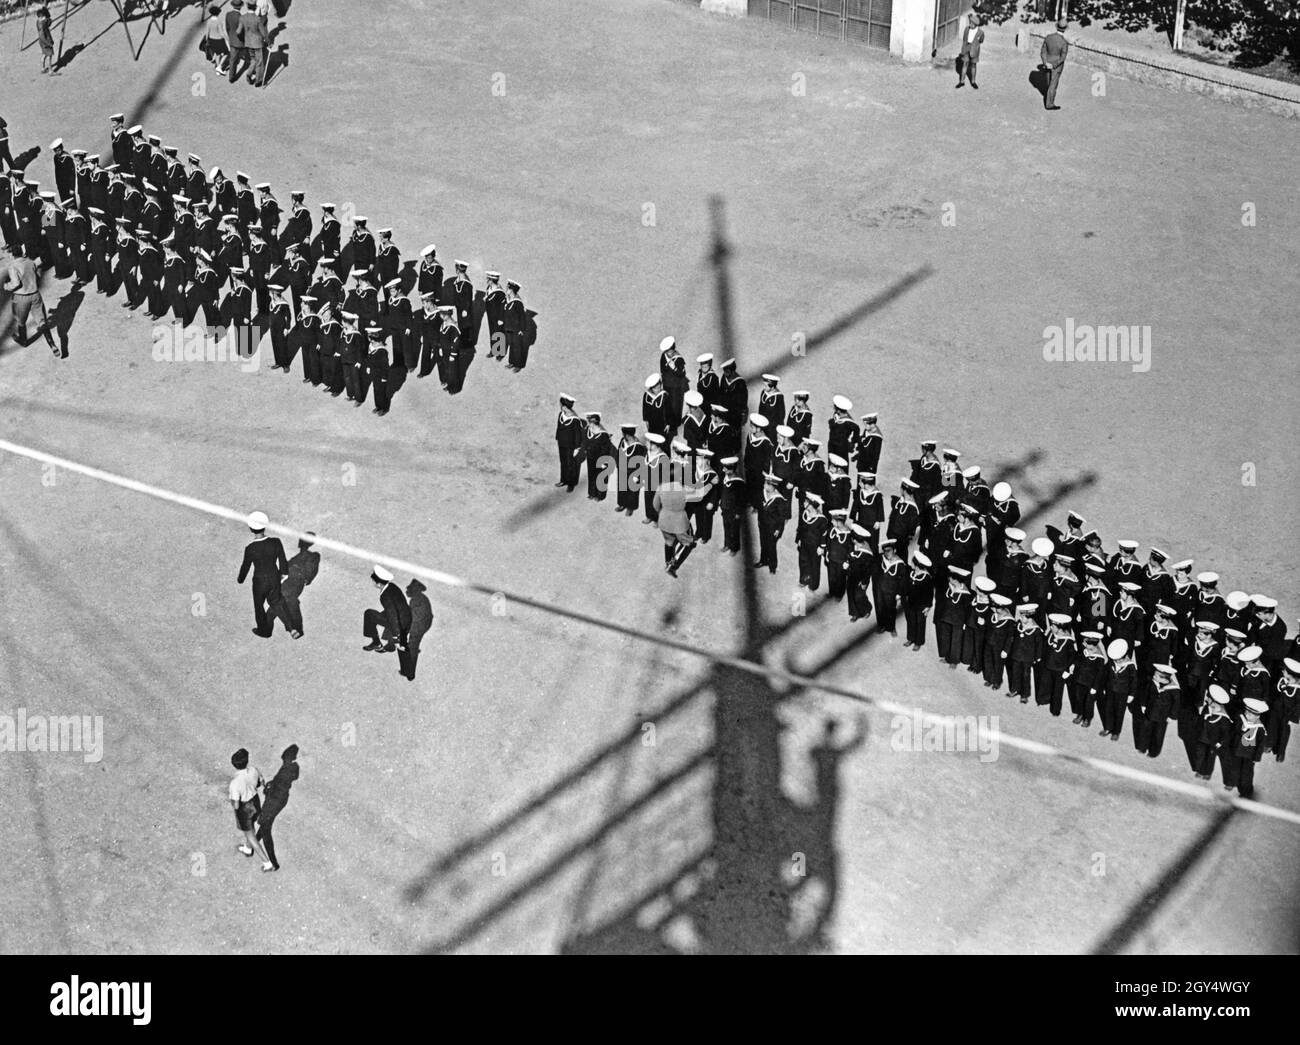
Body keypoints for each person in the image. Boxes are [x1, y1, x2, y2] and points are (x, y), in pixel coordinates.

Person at [236, 510, 287, 638]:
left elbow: (245, 566)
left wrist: (240, 579)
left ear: (251, 529)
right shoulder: (276, 542)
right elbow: (282, 559)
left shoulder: (250, 549)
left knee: (259, 606)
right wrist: (284, 573)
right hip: (274, 577)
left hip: (259, 582)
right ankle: (290, 626)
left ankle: (264, 631)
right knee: (276, 602)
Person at [4, 245, 60, 356]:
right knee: (42, 321)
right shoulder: (30, 262)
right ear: (22, 252)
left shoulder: (13, 266)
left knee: (21, 321)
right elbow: (37, 271)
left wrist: (6, 286)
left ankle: (23, 340)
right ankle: (52, 344)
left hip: (21, 297)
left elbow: (15, 283)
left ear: (12, 254)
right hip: (35, 295)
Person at [254, 745, 299, 872]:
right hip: (279, 800)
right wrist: (271, 784)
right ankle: (253, 844)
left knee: (266, 829)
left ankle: (273, 863)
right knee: (264, 824)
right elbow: (283, 781)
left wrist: (268, 789)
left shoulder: (286, 768)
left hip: (274, 801)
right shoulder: (292, 767)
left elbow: (278, 785)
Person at [228, 748, 270, 866]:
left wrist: (232, 801)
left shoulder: (234, 783)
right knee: (251, 827)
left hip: (245, 809)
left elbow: (236, 805)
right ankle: (247, 848)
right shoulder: (253, 770)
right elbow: (261, 782)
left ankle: (267, 863)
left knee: (250, 835)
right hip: (255, 801)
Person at [272, 534, 319, 639]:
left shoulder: (313, 555)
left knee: (289, 601)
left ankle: (296, 628)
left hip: (296, 582)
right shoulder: (294, 559)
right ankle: (267, 625)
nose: (301, 542)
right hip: (287, 583)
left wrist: (306, 578)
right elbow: (283, 571)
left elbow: (312, 570)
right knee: (277, 603)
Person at [363, 565, 411, 655]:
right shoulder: (392, 586)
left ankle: (377, 643)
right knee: (383, 614)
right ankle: (391, 643)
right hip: (406, 617)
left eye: (373, 581)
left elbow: (393, 615)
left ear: (379, 584)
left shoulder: (385, 596)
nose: (372, 582)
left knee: (369, 614)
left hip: (401, 622)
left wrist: (397, 637)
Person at [401, 579, 433, 681]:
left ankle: (410, 673)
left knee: (412, 646)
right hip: (418, 624)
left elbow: (417, 616)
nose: (408, 590)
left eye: (410, 588)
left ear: (416, 589)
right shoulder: (417, 598)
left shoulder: (418, 599)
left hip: (419, 626)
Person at [1040, 18, 1069, 111]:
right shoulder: (1064, 42)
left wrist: (1045, 62)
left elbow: (1043, 51)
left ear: (1057, 27)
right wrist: (1054, 65)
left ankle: (1048, 95)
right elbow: (1062, 58)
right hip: (1056, 66)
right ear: (1064, 29)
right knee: (1053, 84)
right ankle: (1049, 104)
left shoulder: (1049, 37)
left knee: (1048, 81)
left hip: (1047, 63)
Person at [957, 12, 984, 89]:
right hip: (967, 48)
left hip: (974, 49)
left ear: (975, 25)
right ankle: (961, 82)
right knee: (965, 64)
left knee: (973, 65)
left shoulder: (980, 33)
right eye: (970, 23)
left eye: (972, 24)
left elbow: (981, 41)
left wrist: (975, 45)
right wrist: (964, 48)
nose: (970, 25)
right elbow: (964, 39)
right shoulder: (966, 29)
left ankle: (973, 82)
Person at [225, 0, 247, 84]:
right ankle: (232, 76)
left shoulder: (228, 14)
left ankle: (231, 76)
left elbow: (227, 27)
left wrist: (230, 36)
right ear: (241, 6)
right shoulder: (241, 17)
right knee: (236, 59)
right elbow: (242, 31)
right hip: (240, 42)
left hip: (232, 40)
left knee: (233, 59)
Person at [204, 5, 230, 73]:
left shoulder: (209, 21)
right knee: (226, 53)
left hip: (211, 40)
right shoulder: (219, 21)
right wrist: (227, 39)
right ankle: (220, 66)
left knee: (218, 54)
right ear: (218, 13)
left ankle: (218, 69)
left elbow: (207, 32)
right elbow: (221, 33)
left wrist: (206, 40)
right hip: (219, 40)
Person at [36, 6, 56, 74]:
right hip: (46, 41)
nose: (45, 18)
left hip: (42, 42)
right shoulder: (42, 25)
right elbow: (42, 36)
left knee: (44, 54)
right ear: (41, 17)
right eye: (44, 17)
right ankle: (50, 70)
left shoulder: (39, 22)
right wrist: (48, 43)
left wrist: (48, 19)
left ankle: (43, 68)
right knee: (50, 55)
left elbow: (48, 23)